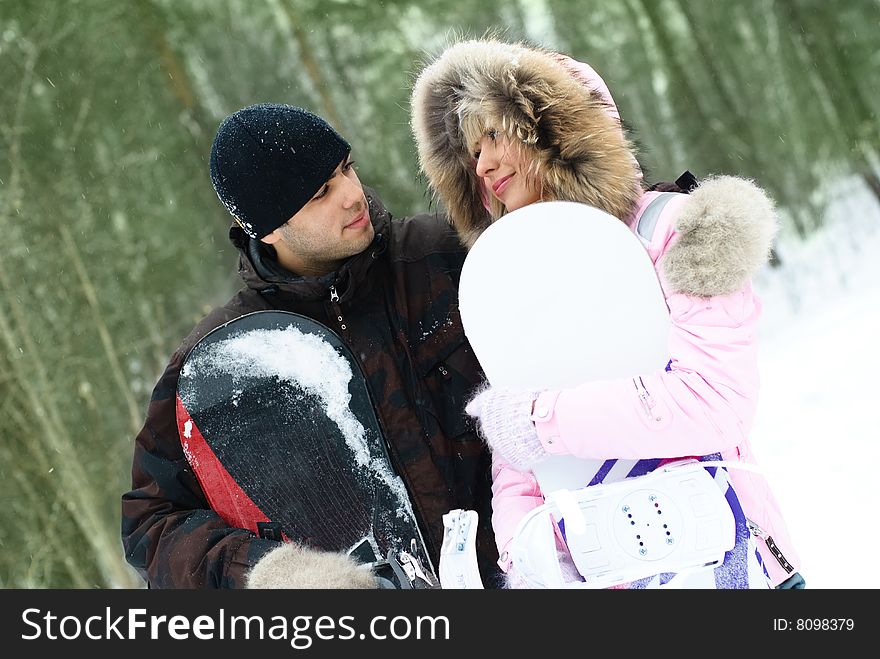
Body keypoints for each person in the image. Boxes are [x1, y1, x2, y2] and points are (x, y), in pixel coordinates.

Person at [410, 38, 804, 588]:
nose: (483, 163)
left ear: (558, 131)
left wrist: (540, 419)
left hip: (724, 555)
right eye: (473, 151)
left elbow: (714, 400)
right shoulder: (510, 284)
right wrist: (531, 552)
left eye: (495, 134)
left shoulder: (677, 230)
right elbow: (523, 466)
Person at [121, 103, 500, 588]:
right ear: (269, 229)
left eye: (346, 169)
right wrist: (273, 573)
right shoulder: (226, 361)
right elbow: (150, 525)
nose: (351, 195)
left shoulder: (447, 254)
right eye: (321, 193)